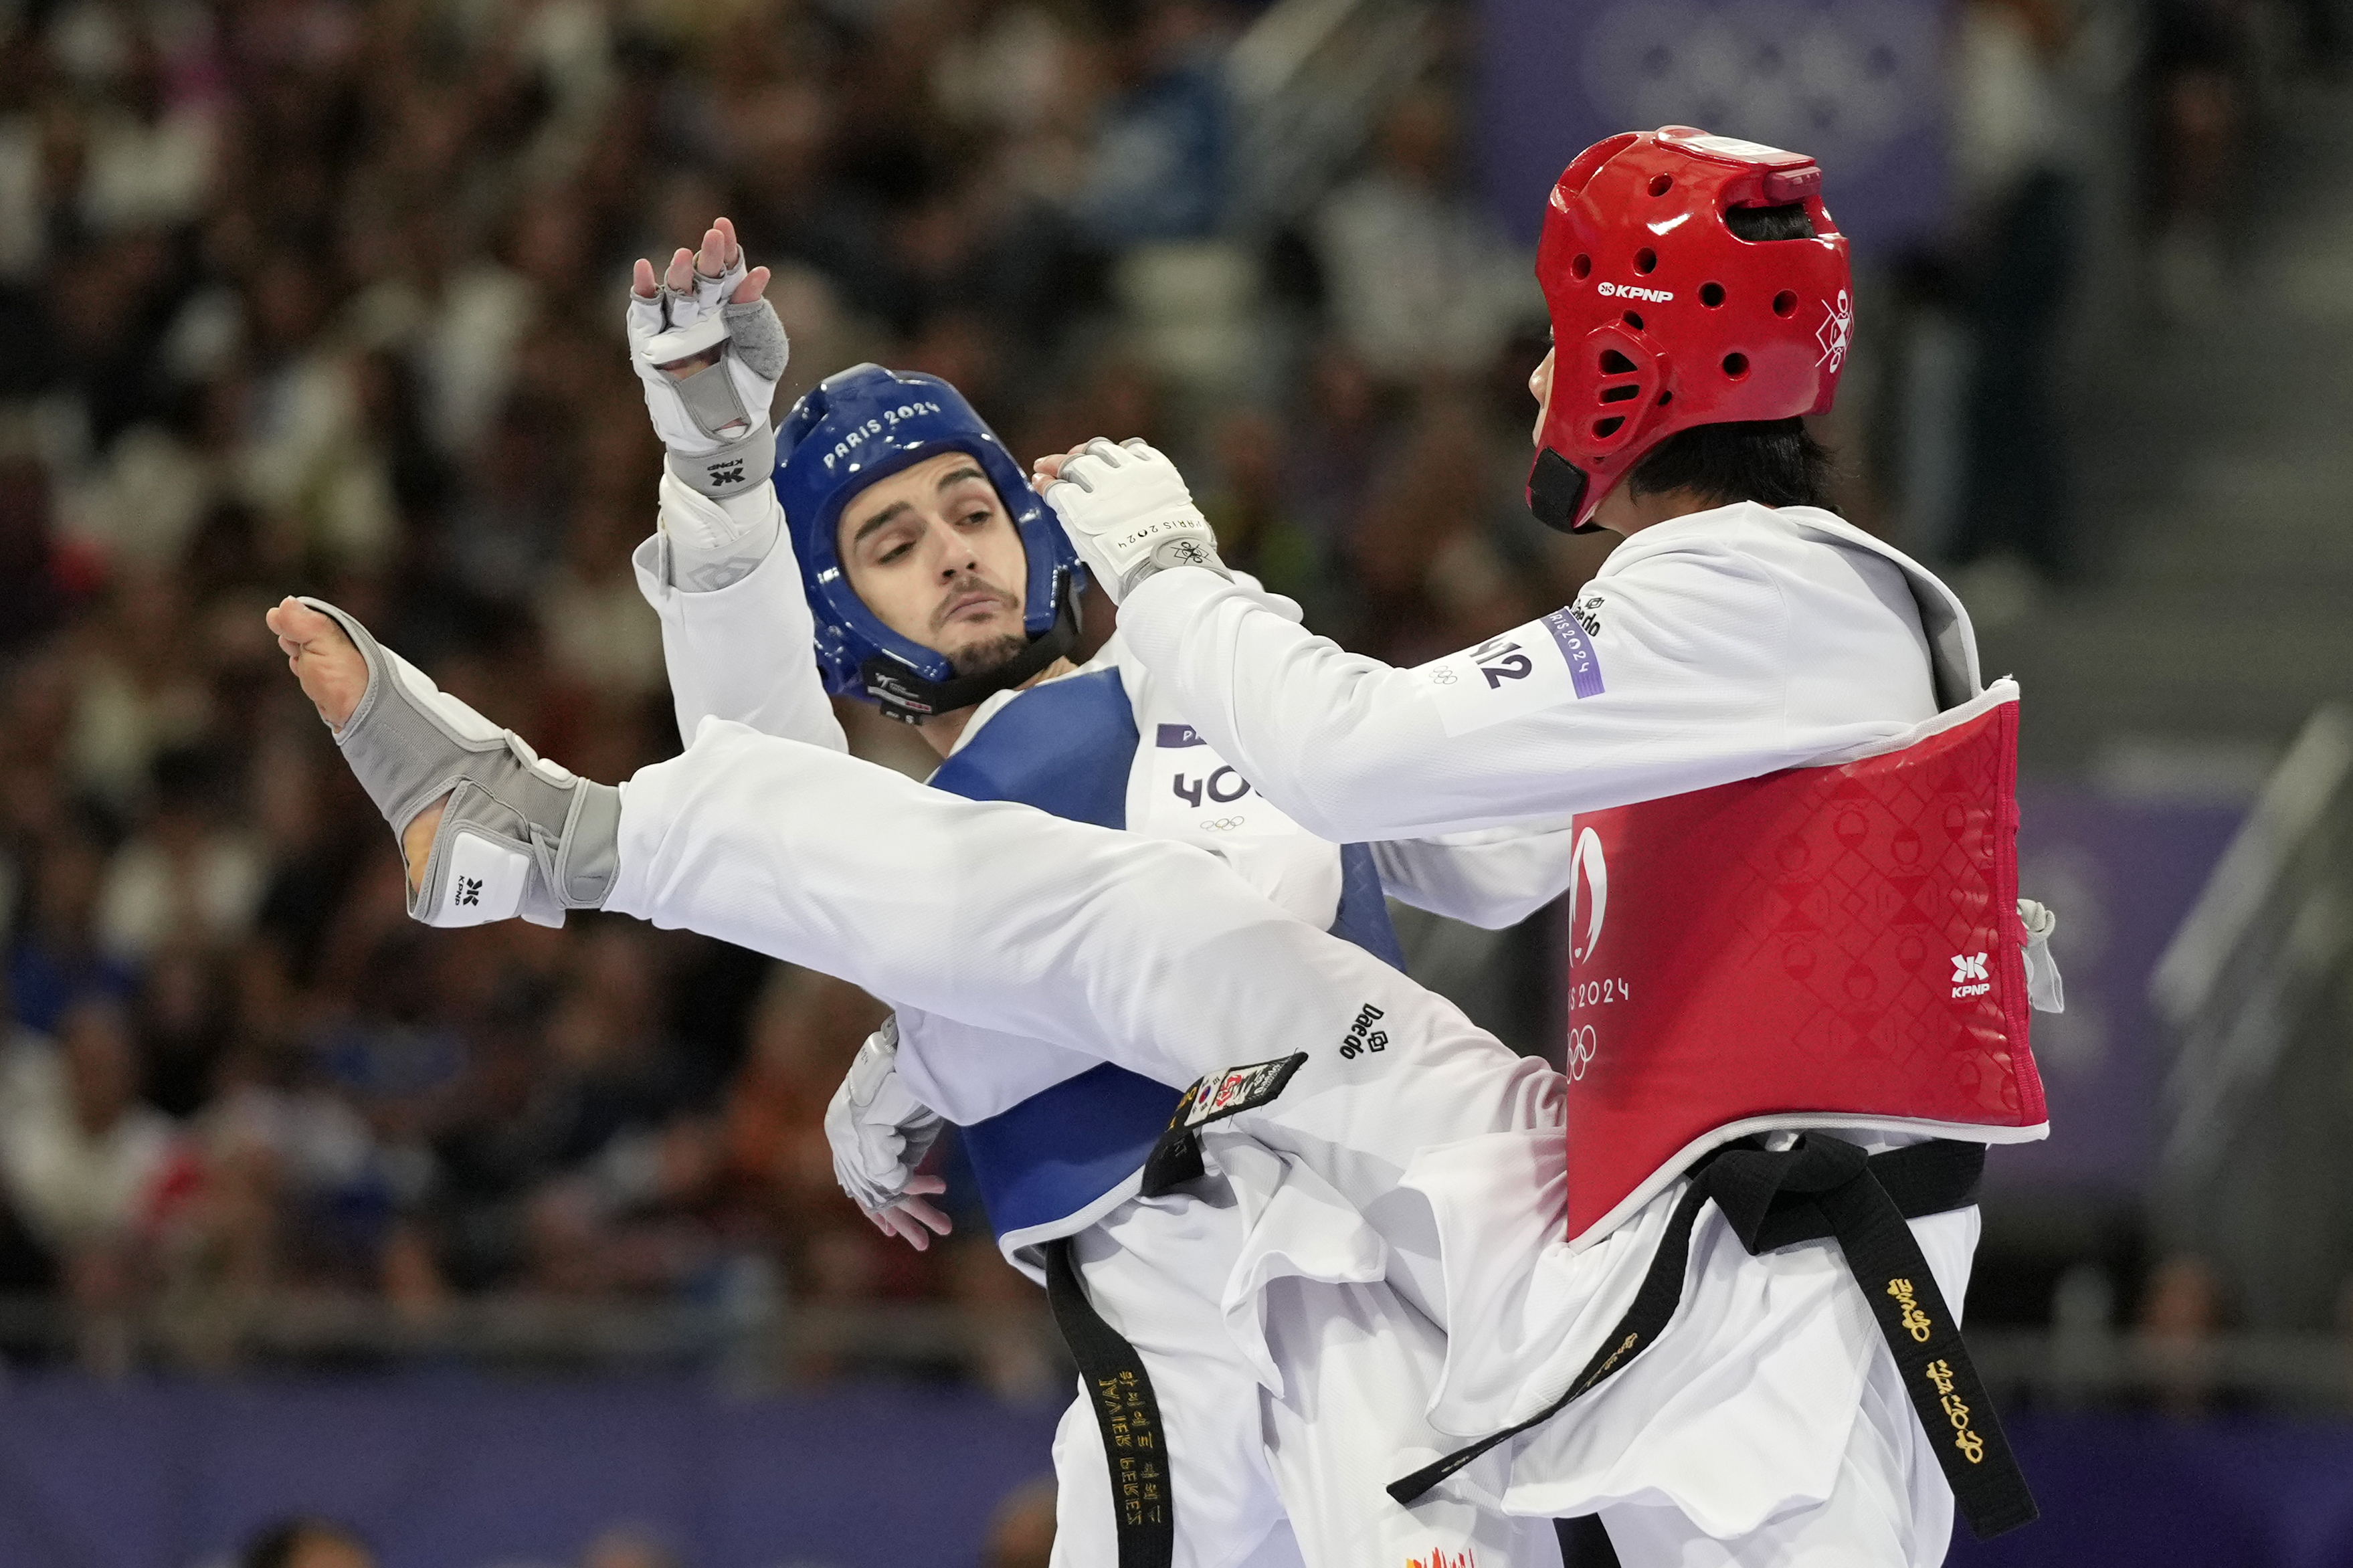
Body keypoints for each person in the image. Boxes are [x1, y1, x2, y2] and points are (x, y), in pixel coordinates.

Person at [1037, 126, 2061, 1563]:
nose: (1533, 378)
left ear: (1638, 360)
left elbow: (1355, 753)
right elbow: (1463, 845)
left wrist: (1161, 572)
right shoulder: (1733, 627)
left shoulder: (1761, 594)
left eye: (1558, 337)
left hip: (1791, 1324)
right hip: (1706, 1291)